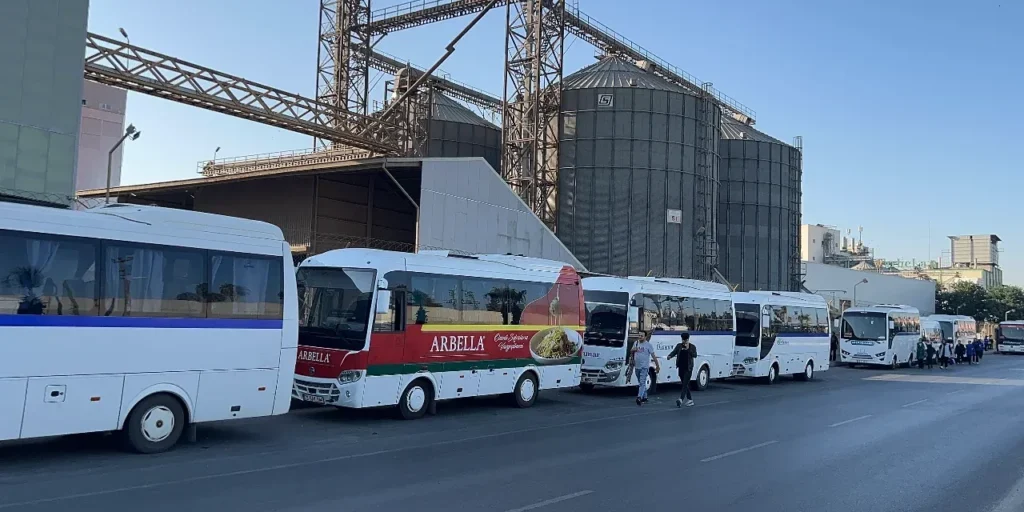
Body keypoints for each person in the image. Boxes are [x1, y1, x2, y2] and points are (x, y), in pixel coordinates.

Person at [667, 332, 698, 407]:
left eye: (685, 340)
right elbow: (674, 352)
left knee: (684, 384)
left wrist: (688, 350)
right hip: (680, 367)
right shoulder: (679, 346)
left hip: (688, 368)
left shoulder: (692, 346)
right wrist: (670, 356)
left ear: (688, 339)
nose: (683, 341)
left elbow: (695, 355)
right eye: (683, 339)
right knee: (685, 384)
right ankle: (690, 400)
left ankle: (680, 399)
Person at [631, 331, 660, 406]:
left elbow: (653, 356)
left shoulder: (648, 345)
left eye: (642, 336)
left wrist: (657, 366)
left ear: (645, 337)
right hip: (637, 366)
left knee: (642, 382)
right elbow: (631, 351)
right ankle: (645, 397)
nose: (640, 337)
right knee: (641, 382)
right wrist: (633, 350)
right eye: (639, 335)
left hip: (644, 367)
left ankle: (639, 397)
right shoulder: (636, 343)